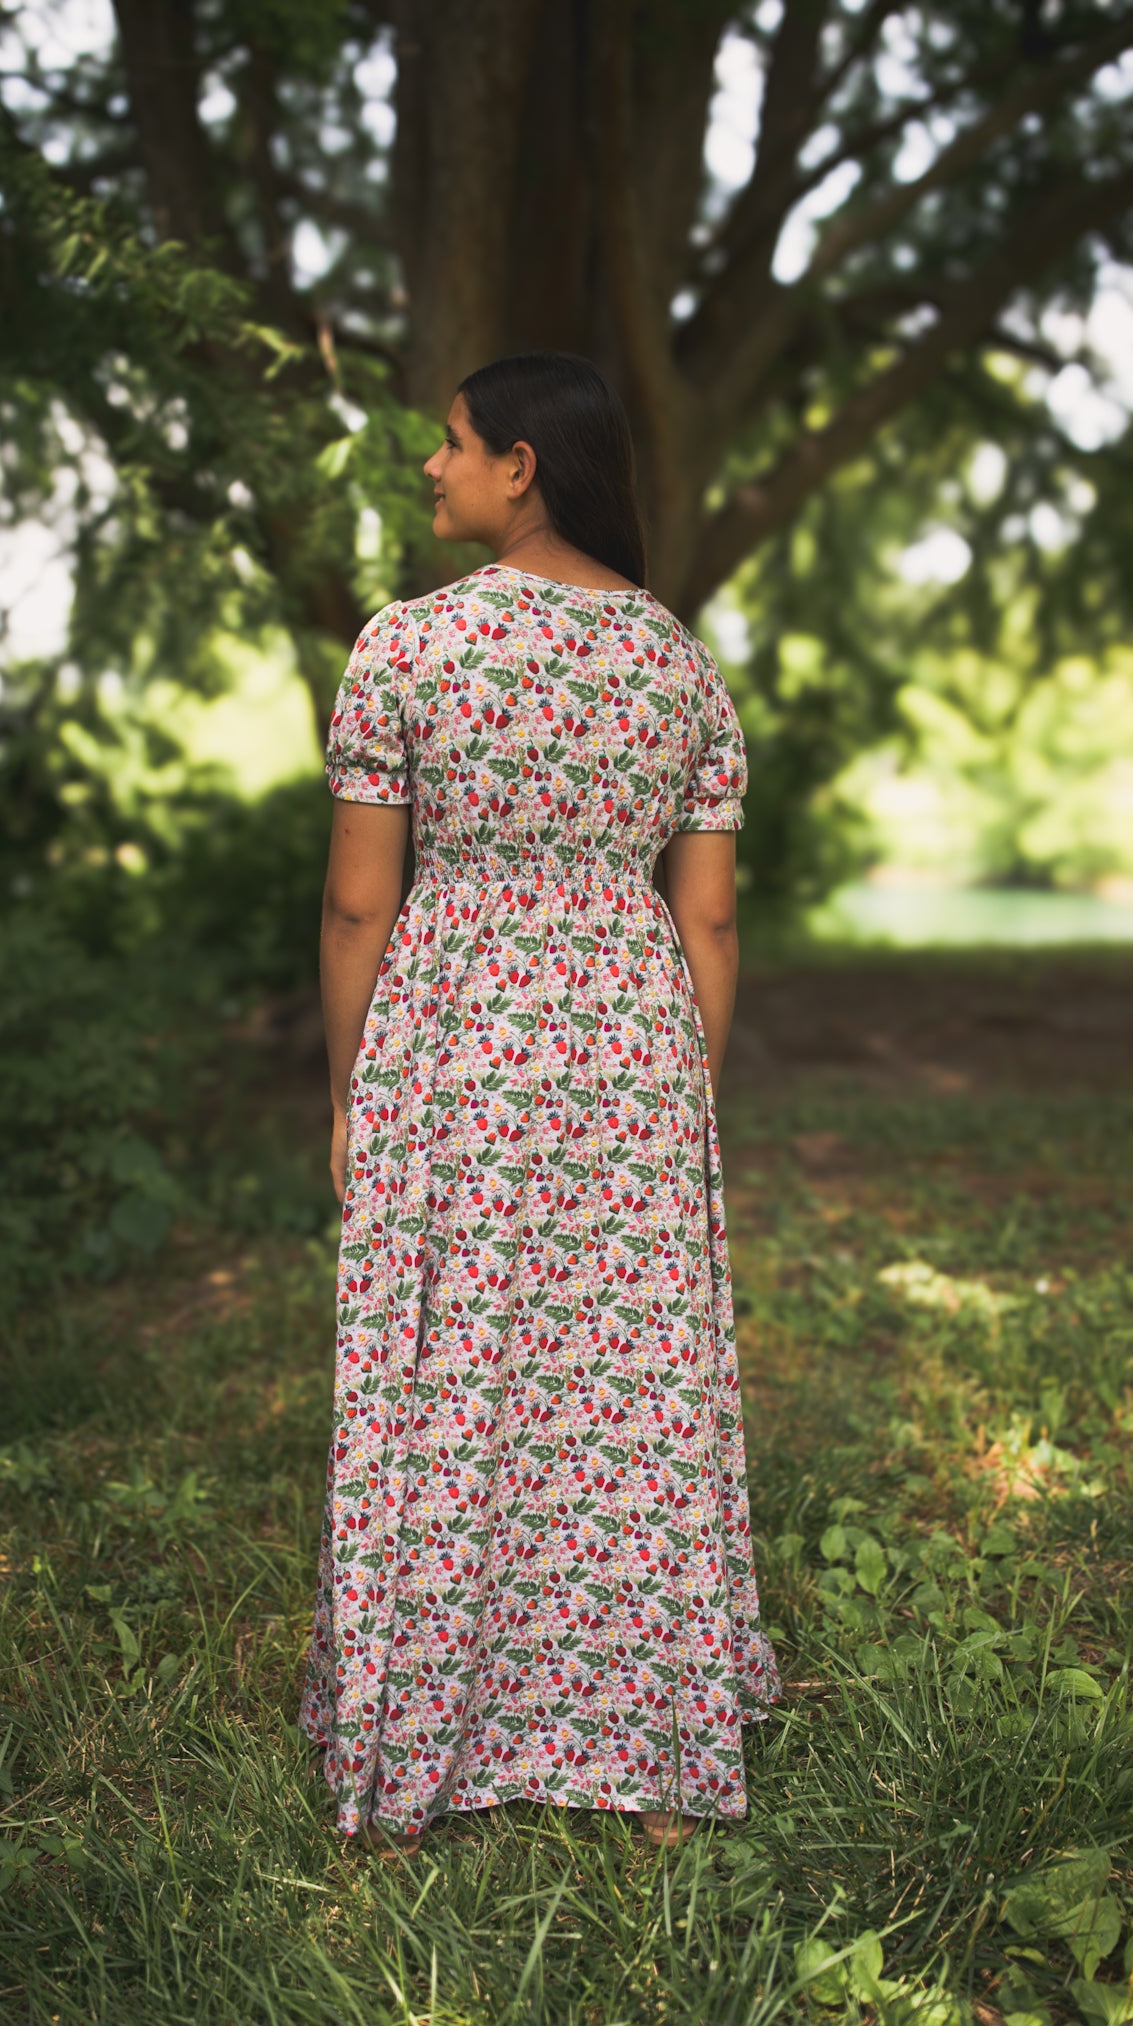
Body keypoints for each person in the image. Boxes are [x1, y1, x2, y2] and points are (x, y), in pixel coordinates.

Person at [298, 350, 780, 1856]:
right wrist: (678, 1096)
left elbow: (357, 905)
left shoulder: (409, 649)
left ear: (521, 465)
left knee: (451, 1364)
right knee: (625, 1384)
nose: (429, 466)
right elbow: (707, 919)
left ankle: (426, 1732)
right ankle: (651, 1745)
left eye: (450, 443)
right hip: (632, 1043)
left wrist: (348, 1092)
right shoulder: (677, 666)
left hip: (456, 1042)